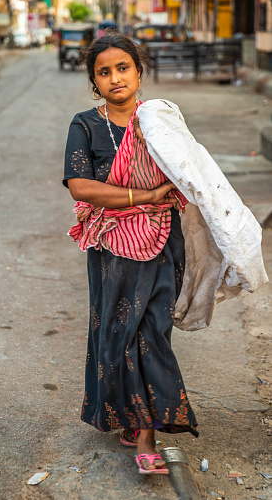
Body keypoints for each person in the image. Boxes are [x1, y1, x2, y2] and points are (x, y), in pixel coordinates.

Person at [62, 32, 198, 475]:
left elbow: (193, 173)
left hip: (161, 240)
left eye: (123, 67)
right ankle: (129, 415)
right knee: (117, 336)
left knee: (153, 332)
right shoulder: (85, 125)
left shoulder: (160, 123)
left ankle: (146, 435)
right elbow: (81, 187)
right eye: (104, 72)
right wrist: (144, 195)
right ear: (94, 82)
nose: (115, 77)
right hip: (113, 249)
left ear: (140, 72)